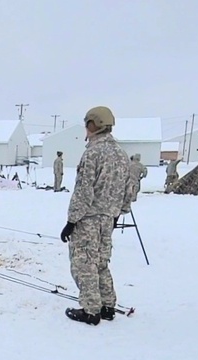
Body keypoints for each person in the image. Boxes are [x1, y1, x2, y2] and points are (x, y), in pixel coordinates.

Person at [59, 106, 130, 325]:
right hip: (108, 218)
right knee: (101, 262)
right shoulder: (121, 153)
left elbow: (84, 191)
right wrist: (118, 213)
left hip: (88, 218)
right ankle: (107, 305)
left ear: (93, 125)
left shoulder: (93, 153)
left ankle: (91, 311)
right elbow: (129, 188)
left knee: (84, 263)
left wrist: (71, 222)